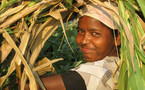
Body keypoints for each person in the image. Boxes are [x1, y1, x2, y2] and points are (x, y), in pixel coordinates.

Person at [20, 1, 121, 90]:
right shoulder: (123, 66)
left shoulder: (94, 73)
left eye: (95, 33)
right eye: (80, 31)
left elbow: (29, 87)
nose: (84, 41)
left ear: (117, 38)